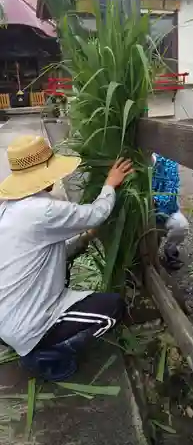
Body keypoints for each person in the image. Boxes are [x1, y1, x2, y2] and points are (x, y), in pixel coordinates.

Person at [0, 135, 133, 381]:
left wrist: (84, 239)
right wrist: (110, 185)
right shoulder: (44, 210)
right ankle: (46, 355)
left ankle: (27, 341)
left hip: (5, 317)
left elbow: (45, 253)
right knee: (113, 308)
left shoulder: (7, 209)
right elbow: (96, 214)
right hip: (29, 324)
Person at [152, 153, 189, 270]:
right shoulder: (133, 159)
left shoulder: (168, 162)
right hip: (139, 217)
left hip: (164, 213)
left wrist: (152, 202)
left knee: (180, 225)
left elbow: (170, 199)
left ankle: (170, 251)